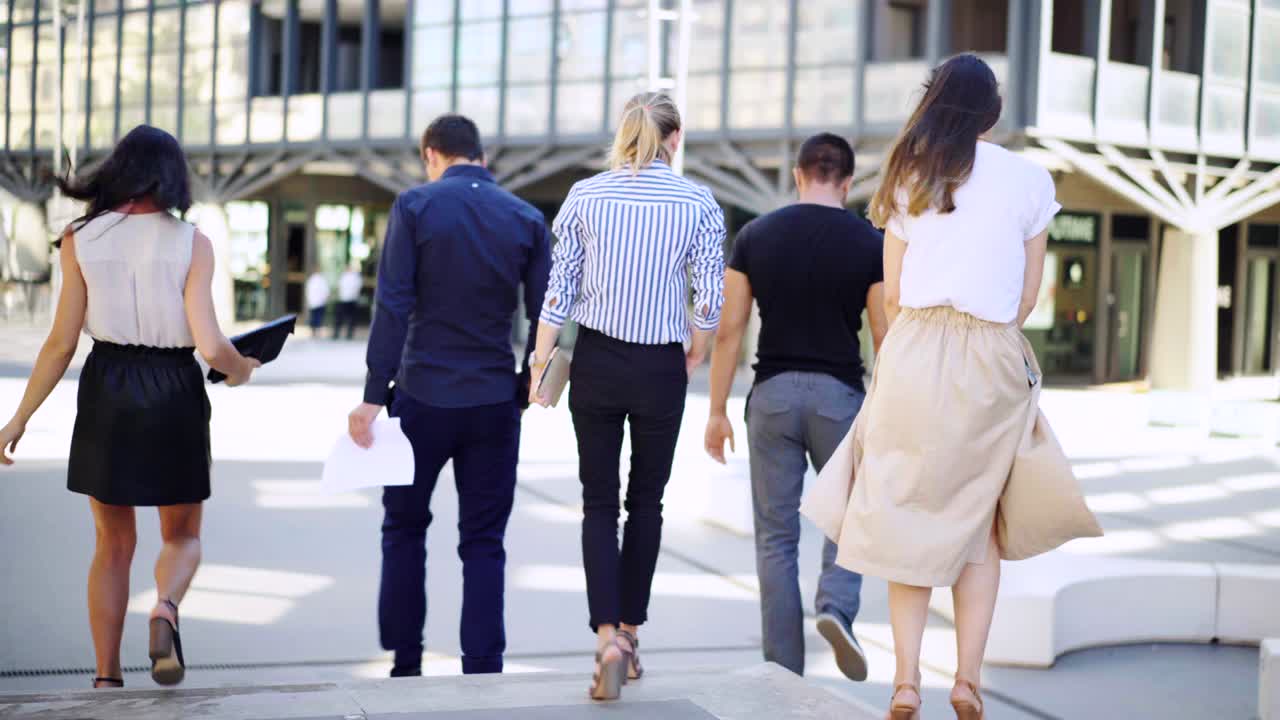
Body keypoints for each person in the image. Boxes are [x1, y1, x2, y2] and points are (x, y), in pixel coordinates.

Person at [799, 55, 1101, 720]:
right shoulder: (1030, 179)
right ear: (993, 110)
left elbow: (894, 295)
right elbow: (1027, 297)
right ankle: (966, 681)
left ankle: (906, 684)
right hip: (991, 354)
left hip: (915, 349)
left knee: (905, 516)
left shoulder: (909, 173)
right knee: (980, 522)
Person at [0, 125, 259, 689]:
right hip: (173, 390)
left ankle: (106, 679)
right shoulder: (192, 242)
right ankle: (164, 609)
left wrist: (18, 418)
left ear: (118, 170)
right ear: (172, 176)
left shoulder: (80, 238)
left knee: (112, 546)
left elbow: (60, 343)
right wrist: (241, 368)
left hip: (107, 387)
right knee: (182, 535)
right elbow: (210, 345)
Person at [528, 91, 726, 702]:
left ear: (625, 132)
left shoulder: (585, 196)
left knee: (597, 504)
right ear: (676, 137)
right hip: (660, 364)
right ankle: (632, 637)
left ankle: (605, 638)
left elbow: (559, 290)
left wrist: (539, 360)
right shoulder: (698, 202)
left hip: (597, 362)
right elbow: (709, 299)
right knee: (647, 503)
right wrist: (695, 349)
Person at [347, 114, 550, 678]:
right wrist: (526, 386)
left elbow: (392, 304)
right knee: (484, 541)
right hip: (493, 401)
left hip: (421, 397)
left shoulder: (414, 206)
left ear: (431, 155)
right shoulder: (525, 217)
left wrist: (373, 394)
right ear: (481, 157)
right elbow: (546, 315)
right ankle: (483, 668)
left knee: (404, 528)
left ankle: (405, 661)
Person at [703, 133, 887, 682]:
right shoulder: (869, 243)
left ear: (798, 175)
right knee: (849, 518)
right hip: (839, 401)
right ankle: (836, 606)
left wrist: (717, 411)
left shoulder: (756, 236)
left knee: (776, 539)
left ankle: (784, 673)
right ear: (847, 183)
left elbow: (730, 330)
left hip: (773, 398)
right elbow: (884, 334)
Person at [334, 263, 362, 340]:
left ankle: (349, 334)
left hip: (351, 299)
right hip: (343, 299)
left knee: (351, 318)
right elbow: (339, 287)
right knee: (340, 318)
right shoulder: (343, 276)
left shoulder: (355, 277)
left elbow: (357, 287)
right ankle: (337, 333)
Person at [305, 268, 329, 338]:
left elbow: (308, 291)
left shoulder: (311, 280)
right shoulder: (322, 280)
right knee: (319, 317)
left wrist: (309, 300)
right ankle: (317, 332)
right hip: (320, 302)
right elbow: (326, 291)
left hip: (313, 302)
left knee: (314, 317)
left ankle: (313, 332)